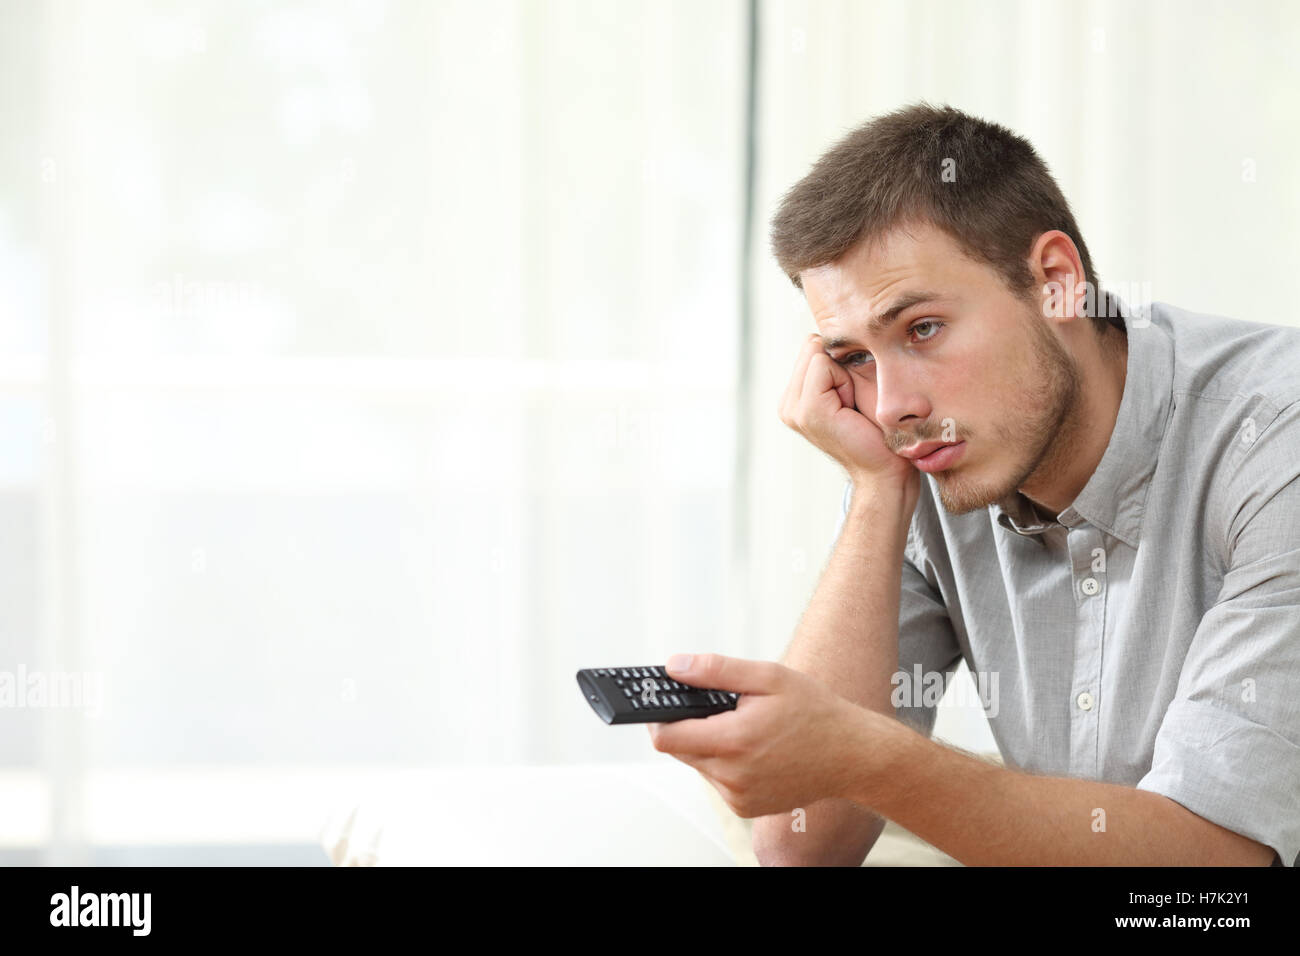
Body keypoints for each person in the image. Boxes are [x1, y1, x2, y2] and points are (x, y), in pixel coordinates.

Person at [647, 102, 1297, 866]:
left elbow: (1215, 882)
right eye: (853, 357)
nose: (892, 407)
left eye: (921, 329)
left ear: (1056, 280)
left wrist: (868, 758)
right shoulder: (932, 457)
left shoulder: (1271, 444)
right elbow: (802, 845)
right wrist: (876, 492)